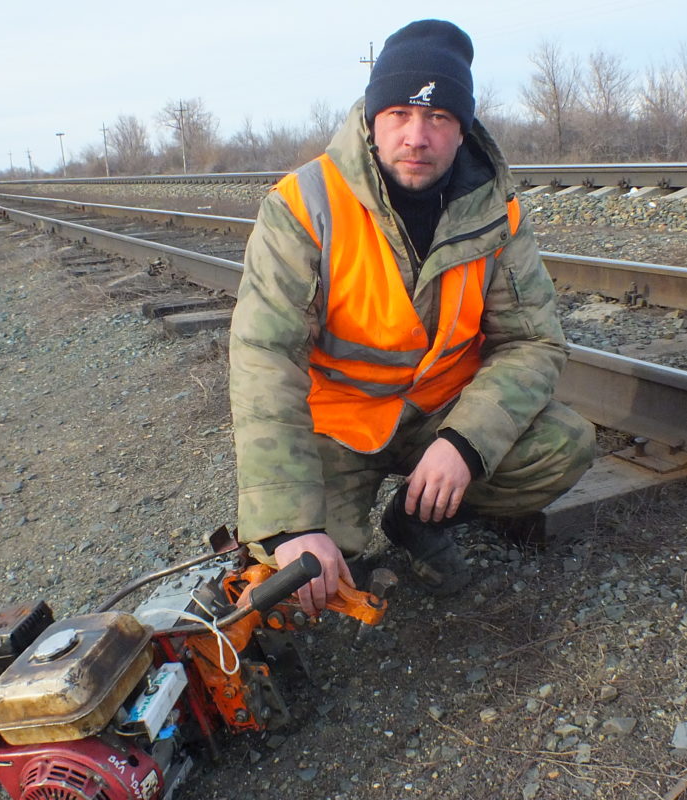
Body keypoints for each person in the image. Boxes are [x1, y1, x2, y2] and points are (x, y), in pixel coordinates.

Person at [229, 19, 595, 615]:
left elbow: (533, 343)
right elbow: (265, 358)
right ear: (373, 119)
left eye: (439, 118)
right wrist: (290, 524)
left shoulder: (497, 211)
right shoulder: (303, 204)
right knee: (303, 580)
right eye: (399, 113)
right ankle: (329, 528)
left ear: (462, 129)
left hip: (439, 415)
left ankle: (417, 520)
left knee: (563, 443)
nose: (417, 136)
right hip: (339, 424)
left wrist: (464, 442)